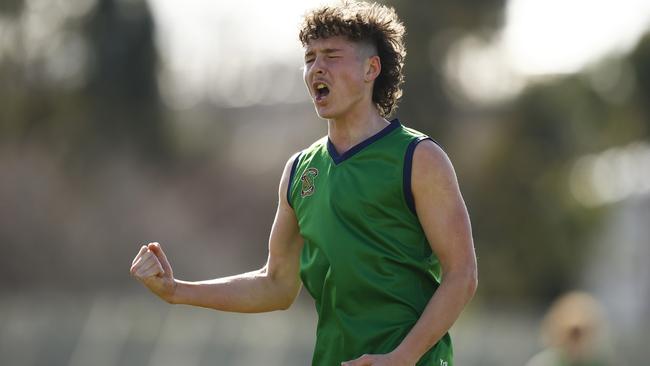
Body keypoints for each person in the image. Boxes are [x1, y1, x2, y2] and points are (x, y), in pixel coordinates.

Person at [130, 1, 477, 365]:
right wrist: (177, 291)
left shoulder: (419, 158)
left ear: (371, 69)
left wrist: (402, 357)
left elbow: (462, 275)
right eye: (310, 57)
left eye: (331, 55)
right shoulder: (299, 171)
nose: (317, 68)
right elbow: (276, 284)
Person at [525, 291, 615, 366]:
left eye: (580, 334)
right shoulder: (546, 363)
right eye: (572, 334)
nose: (576, 340)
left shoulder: (601, 362)